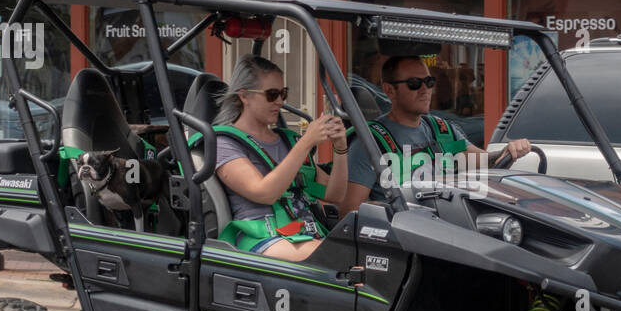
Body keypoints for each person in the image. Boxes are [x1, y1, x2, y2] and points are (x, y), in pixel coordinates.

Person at [340, 55, 532, 214]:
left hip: (451, 227)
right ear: (390, 90)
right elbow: (350, 212)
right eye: (414, 83)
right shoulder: (370, 142)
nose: (425, 90)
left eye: (429, 82)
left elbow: (484, 162)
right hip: (405, 241)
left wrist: (507, 152)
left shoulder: (442, 131)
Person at [212, 55, 349, 261]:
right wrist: (305, 143)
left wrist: (340, 149)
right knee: (338, 259)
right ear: (244, 96)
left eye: (283, 93)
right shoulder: (224, 142)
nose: (279, 102)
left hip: (303, 233)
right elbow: (264, 193)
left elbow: (334, 194)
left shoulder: (287, 140)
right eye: (271, 94)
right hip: (260, 237)